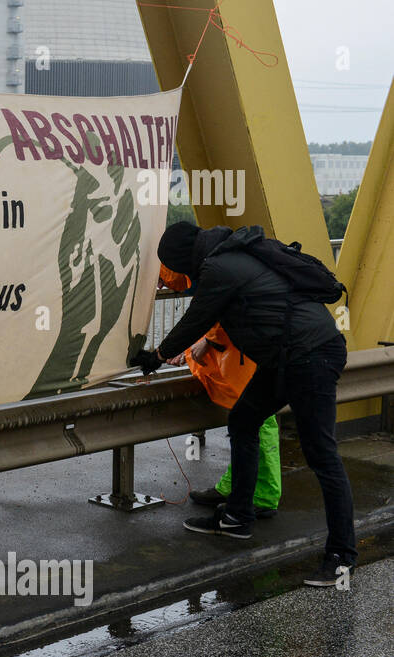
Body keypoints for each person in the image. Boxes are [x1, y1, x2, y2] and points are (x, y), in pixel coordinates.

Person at [130, 223, 354, 588]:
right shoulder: (227, 257)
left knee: (322, 456)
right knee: (244, 421)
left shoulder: (221, 267)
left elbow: (196, 319)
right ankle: (237, 517)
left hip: (311, 356)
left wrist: (156, 356)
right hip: (283, 357)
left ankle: (342, 558)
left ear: (183, 258)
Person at [158, 264, 281, 518]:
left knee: (257, 422)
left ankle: (264, 495)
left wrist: (208, 341)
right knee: (247, 424)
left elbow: (224, 310)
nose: (161, 287)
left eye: (162, 280)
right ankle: (235, 487)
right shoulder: (211, 265)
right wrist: (197, 347)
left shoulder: (209, 272)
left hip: (245, 356)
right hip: (245, 352)